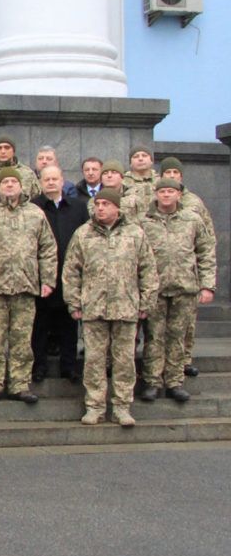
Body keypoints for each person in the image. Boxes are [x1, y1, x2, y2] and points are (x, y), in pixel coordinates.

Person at [63, 189, 158, 426]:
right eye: (98, 204)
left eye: (106, 204)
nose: (101, 208)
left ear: (117, 207)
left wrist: (146, 302)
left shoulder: (135, 234)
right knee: (94, 360)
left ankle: (122, 407)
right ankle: (95, 407)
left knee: (124, 360)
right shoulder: (83, 234)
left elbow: (148, 270)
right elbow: (71, 271)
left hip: (126, 308)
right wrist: (74, 302)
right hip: (93, 308)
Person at [0, 168, 57, 404]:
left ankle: (20, 383)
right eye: (5, 182)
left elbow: (48, 249)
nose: (9, 185)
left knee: (22, 339)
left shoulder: (35, 213)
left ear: (22, 186)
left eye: (13, 181)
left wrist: (47, 280)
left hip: (25, 286)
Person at [140, 179, 215, 403]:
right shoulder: (145, 221)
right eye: (162, 191)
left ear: (179, 195)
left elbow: (206, 252)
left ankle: (174, 382)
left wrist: (207, 285)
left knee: (177, 337)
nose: (166, 195)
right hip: (156, 289)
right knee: (154, 336)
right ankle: (153, 381)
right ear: (156, 194)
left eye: (170, 191)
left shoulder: (192, 220)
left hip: (185, 288)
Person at [30, 165, 88, 383]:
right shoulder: (34, 207)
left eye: (55, 178)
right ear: (41, 182)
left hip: (70, 274)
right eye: (47, 179)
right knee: (40, 325)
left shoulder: (79, 208)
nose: (51, 182)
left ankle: (69, 367)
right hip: (42, 275)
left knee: (69, 325)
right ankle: (39, 366)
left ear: (63, 181)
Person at [158, 157, 215, 378]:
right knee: (156, 334)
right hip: (159, 284)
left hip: (186, 281)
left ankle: (182, 365)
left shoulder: (194, 205)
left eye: (175, 172)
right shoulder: (150, 213)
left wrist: (207, 283)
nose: (171, 176)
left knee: (183, 330)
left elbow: (206, 244)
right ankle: (155, 373)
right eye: (167, 172)